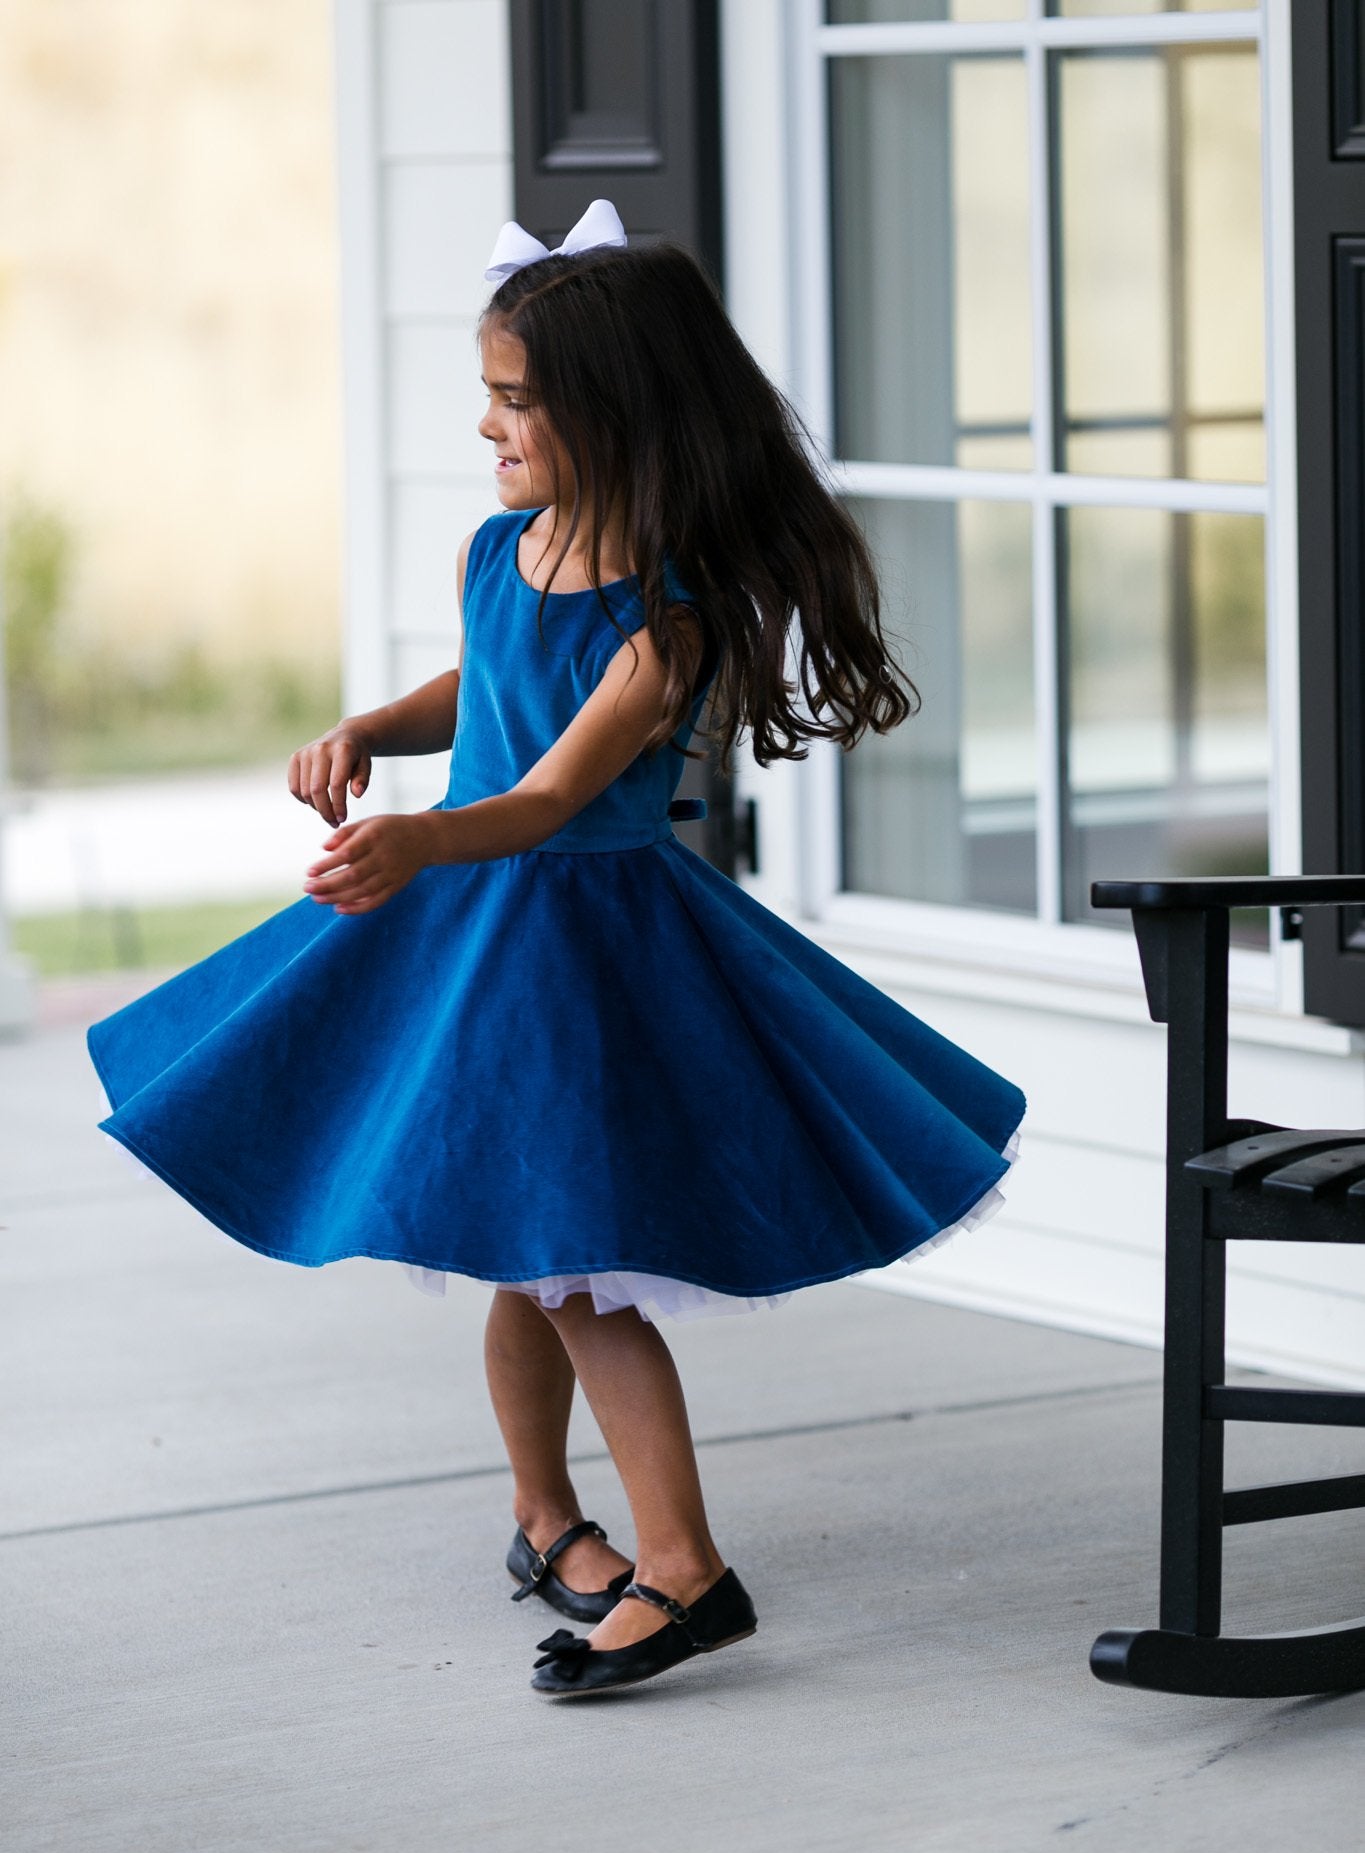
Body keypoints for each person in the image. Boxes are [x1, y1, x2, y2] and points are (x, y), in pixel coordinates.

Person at [88, 201, 1026, 1701]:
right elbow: (486, 686)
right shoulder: (501, 546)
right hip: (476, 932)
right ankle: (544, 1517)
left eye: (514, 403)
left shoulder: (671, 623)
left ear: (617, 411)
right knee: (521, 1253)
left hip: (585, 945)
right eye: (490, 396)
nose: (486, 426)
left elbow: (543, 796)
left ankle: (687, 1571)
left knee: (579, 1268)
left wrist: (413, 839)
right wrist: (371, 734)